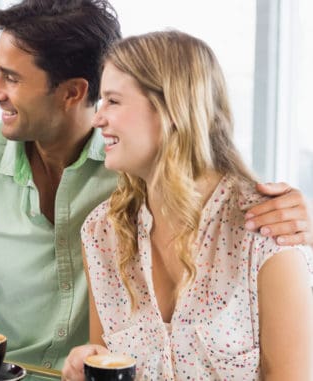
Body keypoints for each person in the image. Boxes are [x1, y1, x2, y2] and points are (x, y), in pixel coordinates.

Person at [0, 0, 313, 373]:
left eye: (11, 78)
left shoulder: (148, 177)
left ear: (72, 92)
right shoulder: (98, 222)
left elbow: (210, 185)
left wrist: (295, 218)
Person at [62, 31, 313, 380]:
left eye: (113, 101)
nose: (96, 119)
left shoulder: (265, 235)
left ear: (172, 109)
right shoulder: (102, 233)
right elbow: (106, 365)